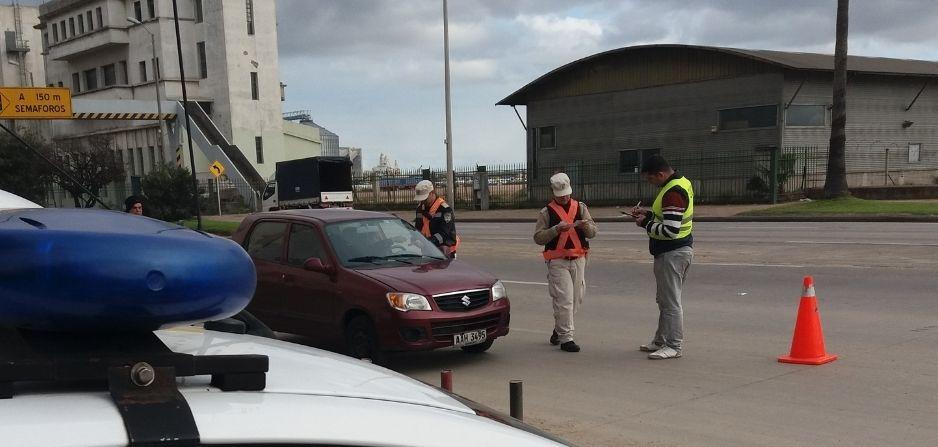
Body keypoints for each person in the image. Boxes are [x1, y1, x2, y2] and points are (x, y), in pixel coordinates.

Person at [628, 155, 694, 360]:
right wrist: (647, 215)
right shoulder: (681, 182)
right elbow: (669, 217)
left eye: (650, 179)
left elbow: (670, 230)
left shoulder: (672, 193)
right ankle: (660, 340)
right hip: (678, 251)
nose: (650, 183)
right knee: (664, 300)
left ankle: (674, 346)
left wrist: (644, 224)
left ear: (660, 174)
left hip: (672, 253)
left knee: (671, 302)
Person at [533, 173, 596, 353]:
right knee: (564, 299)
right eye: (560, 195)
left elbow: (593, 232)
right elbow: (538, 237)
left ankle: (559, 329)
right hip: (557, 261)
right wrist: (555, 230)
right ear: (554, 193)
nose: (565, 197)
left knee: (576, 298)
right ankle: (566, 338)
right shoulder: (546, 212)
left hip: (579, 259)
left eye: (566, 194)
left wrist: (586, 226)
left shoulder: (581, 208)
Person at [413, 180, 460, 258]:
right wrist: (414, 238)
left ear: (432, 193)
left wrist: (428, 242)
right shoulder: (420, 209)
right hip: (427, 249)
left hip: (444, 250)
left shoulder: (445, 209)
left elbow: (444, 233)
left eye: (424, 198)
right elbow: (418, 228)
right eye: (421, 199)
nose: (422, 201)